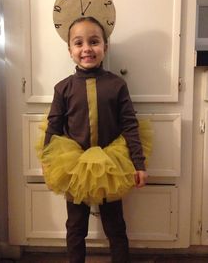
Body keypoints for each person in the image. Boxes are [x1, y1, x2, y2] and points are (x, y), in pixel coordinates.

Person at [37, 16, 151, 263]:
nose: (87, 48)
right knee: (76, 226)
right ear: (70, 51)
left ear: (105, 47)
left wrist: (139, 163)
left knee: (115, 225)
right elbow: (54, 127)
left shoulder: (117, 85)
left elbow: (130, 125)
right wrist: (47, 162)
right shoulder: (63, 88)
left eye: (94, 41)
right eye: (79, 43)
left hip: (111, 165)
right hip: (74, 168)